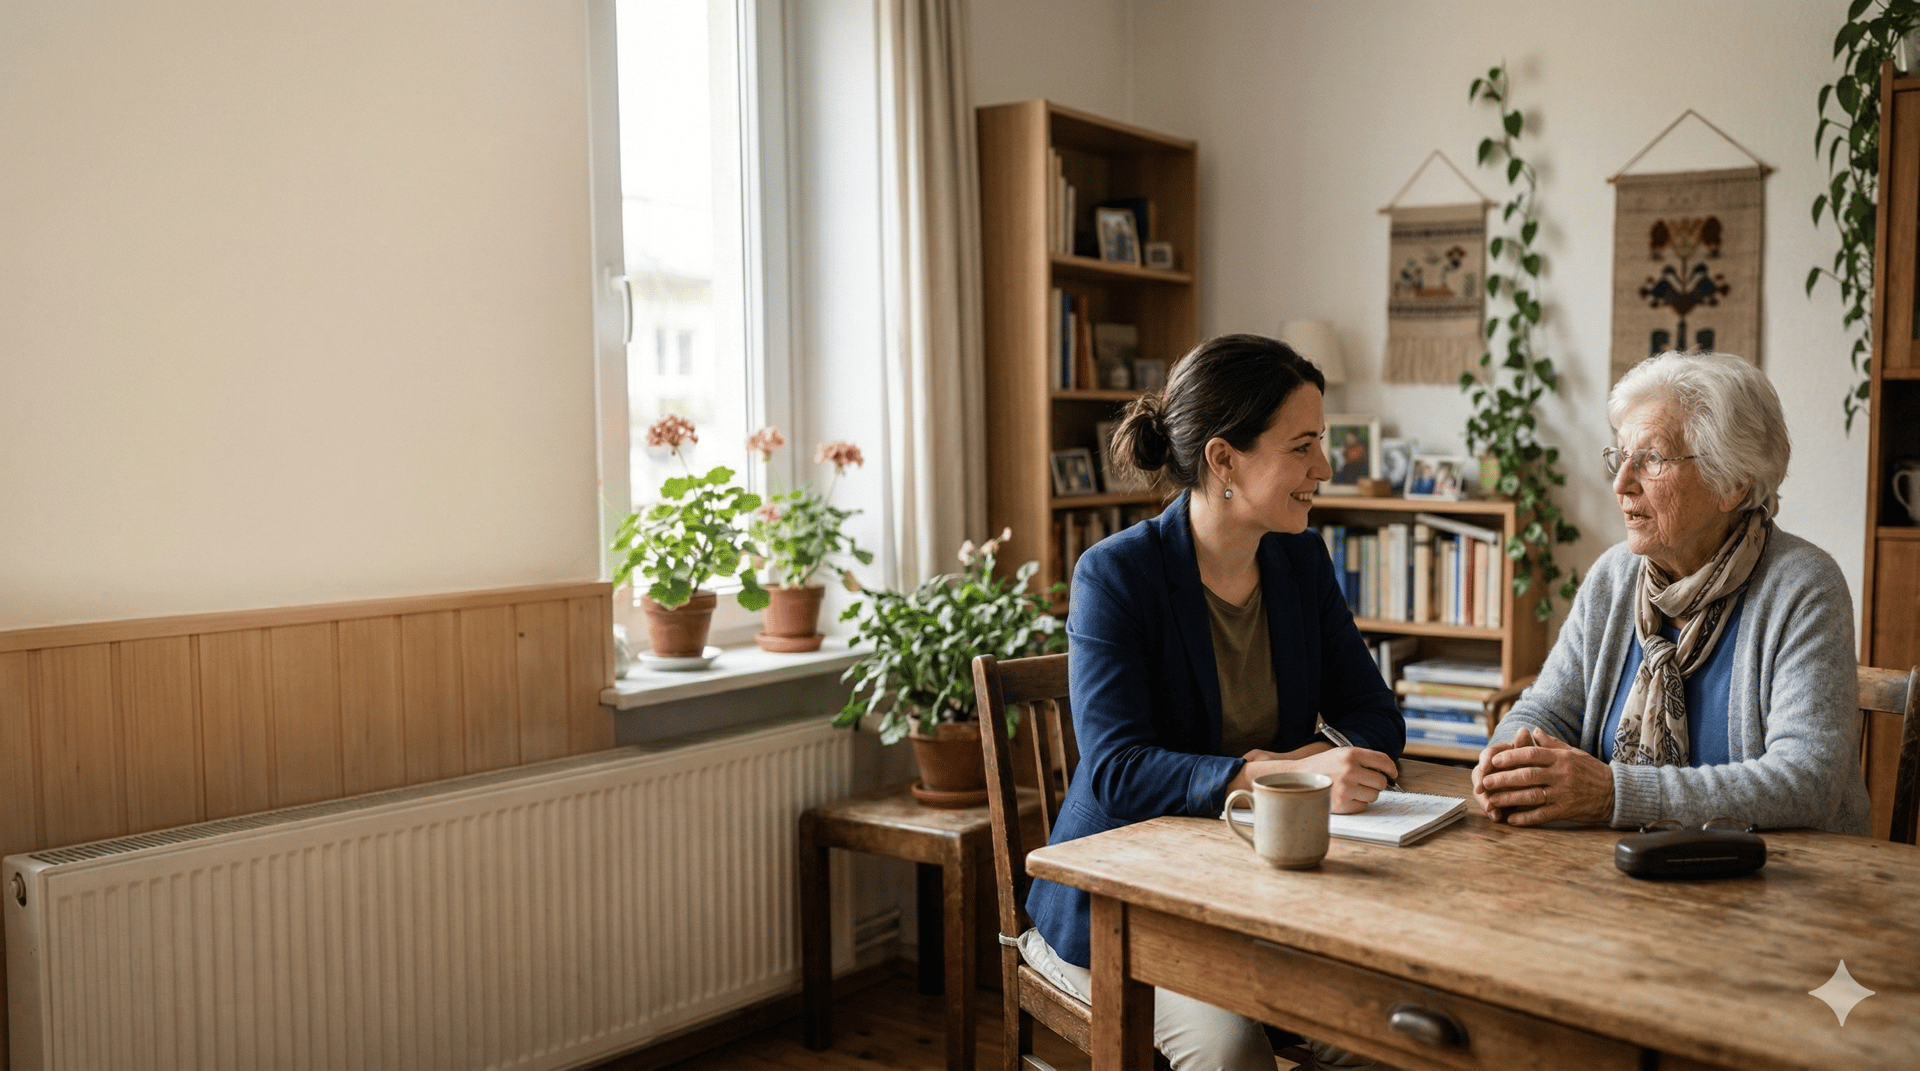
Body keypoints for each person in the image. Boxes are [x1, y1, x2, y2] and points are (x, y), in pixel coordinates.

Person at [1016, 333, 1404, 1071]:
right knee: (1231, 1052)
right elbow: (1119, 769)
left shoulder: (1301, 560)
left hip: (1263, 889)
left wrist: (1309, 765)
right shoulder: (1116, 575)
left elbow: (1376, 713)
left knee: (1389, 1031)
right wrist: (1282, 775)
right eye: (1302, 447)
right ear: (1223, 459)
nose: (1324, 467)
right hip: (1124, 904)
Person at [1472, 351, 1870, 834]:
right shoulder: (1614, 576)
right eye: (1620, 457)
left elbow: (1806, 780)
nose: (1621, 483)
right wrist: (1512, 761)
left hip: (1776, 882)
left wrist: (1614, 794)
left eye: (1652, 459)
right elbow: (1546, 709)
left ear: (1734, 486)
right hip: (1614, 872)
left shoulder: (1803, 587)